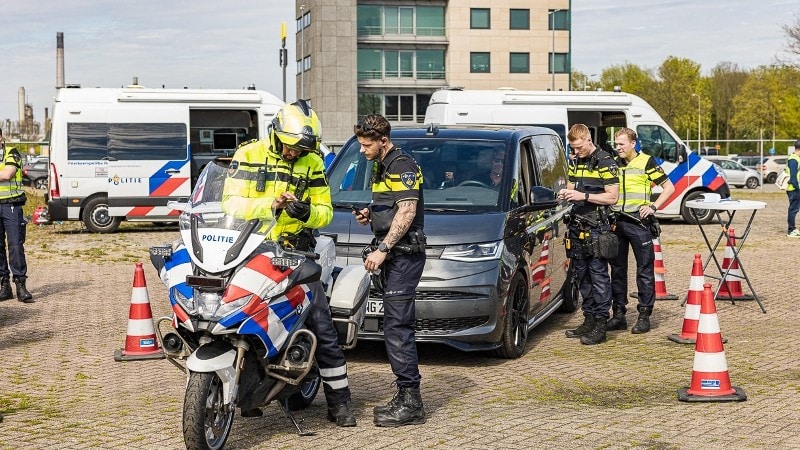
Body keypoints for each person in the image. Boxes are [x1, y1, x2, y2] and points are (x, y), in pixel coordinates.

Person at [222, 100, 356, 427]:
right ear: (277, 135)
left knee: (322, 323)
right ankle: (246, 383)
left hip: (296, 251)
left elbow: (326, 210)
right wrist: (271, 204)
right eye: (292, 147)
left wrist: (306, 213)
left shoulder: (312, 161)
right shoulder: (250, 154)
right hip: (249, 248)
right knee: (233, 314)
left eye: (302, 149)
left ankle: (339, 401)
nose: (296, 153)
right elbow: (230, 203)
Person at [353, 114, 427, 427]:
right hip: (396, 253)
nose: (362, 150)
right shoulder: (381, 165)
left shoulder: (401, 165)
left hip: (403, 254)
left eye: (366, 145)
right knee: (393, 326)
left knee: (398, 327)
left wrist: (383, 250)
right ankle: (404, 394)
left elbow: (408, 211)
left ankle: (411, 402)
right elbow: (394, 204)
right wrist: (373, 212)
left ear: (383, 140)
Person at [607, 128, 675, 334]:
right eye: (616, 144)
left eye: (621, 144)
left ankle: (644, 315)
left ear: (633, 144)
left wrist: (653, 207)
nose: (617, 148)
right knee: (617, 270)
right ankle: (619, 314)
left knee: (644, 270)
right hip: (616, 222)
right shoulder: (613, 163)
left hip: (639, 223)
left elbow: (669, 188)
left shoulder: (647, 162)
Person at [558, 124, 619, 345]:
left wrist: (582, 196)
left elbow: (612, 198)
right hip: (577, 226)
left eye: (578, 147)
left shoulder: (605, 162)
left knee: (598, 276)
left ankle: (601, 324)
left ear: (588, 139)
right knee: (581, 275)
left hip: (596, 227)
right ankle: (589, 319)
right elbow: (571, 186)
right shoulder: (575, 160)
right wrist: (566, 193)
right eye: (572, 148)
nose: (575, 152)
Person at [0, 137, 33, 304]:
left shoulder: (11, 152)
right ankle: (4, 286)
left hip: (11, 205)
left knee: (15, 246)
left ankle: (21, 285)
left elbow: (7, 174)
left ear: (1, 138)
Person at [786, 140, 800, 237]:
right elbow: (794, 177)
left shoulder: (796, 158)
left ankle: (792, 228)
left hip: (795, 188)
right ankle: (791, 230)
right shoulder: (793, 159)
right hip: (794, 189)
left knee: (794, 209)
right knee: (793, 210)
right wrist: (797, 188)